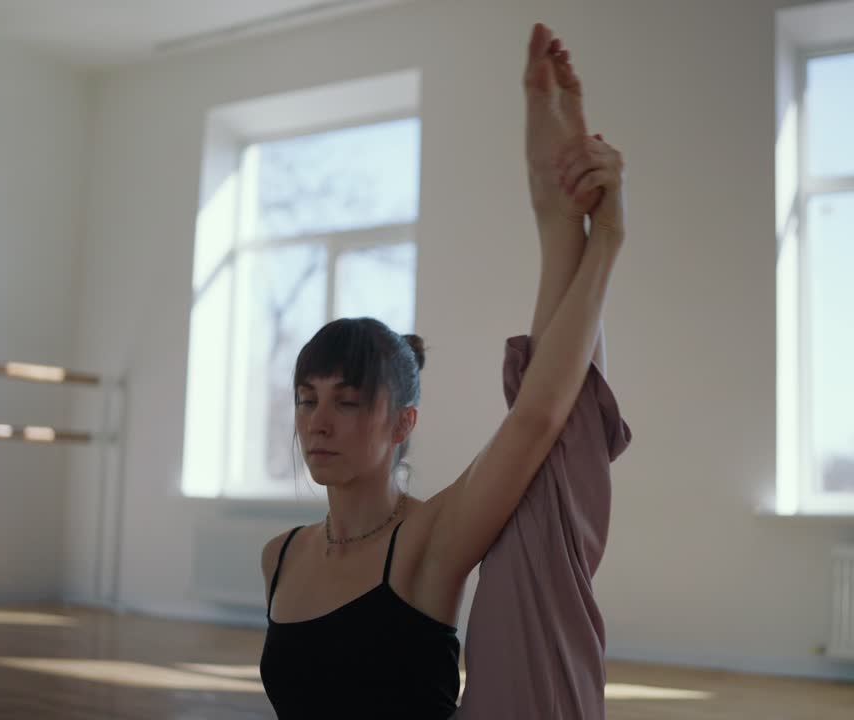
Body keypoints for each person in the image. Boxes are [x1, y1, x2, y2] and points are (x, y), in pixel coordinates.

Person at [259, 22, 630, 719]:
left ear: (403, 421)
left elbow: (539, 418)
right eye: (308, 399)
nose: (319, 421)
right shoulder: (277, 556)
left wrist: (589, 233)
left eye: (348, 400)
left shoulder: (430, 540)